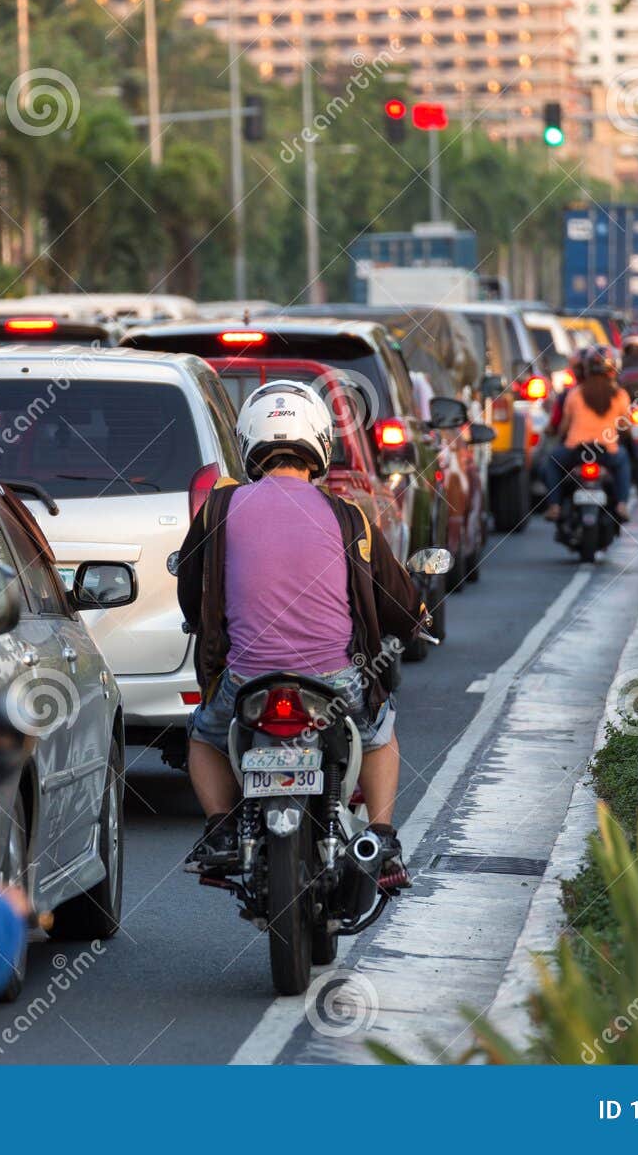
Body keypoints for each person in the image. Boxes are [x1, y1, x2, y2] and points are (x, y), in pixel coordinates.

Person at [174, 380, 425, 892]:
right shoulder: (349, 514)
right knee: (378, 732)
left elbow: (190, 592)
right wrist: (416, 618)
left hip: (247, 681)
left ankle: (222, 829)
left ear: (248, 442)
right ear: (320, 442)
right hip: (336, 685)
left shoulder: (219, 510)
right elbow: (396, 603)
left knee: (203, 734)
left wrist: (202, 623)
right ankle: (381, 835)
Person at [545, 345, 633, 523]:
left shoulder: (575, 393)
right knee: (624, 461)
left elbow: (564, 426)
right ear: (613, 369)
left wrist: (560, 435)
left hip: (575, 451)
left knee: (551, 463)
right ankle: (622, 505)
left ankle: (554, 506)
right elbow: (626, 425)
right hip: (607, 452)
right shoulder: (620, 395)